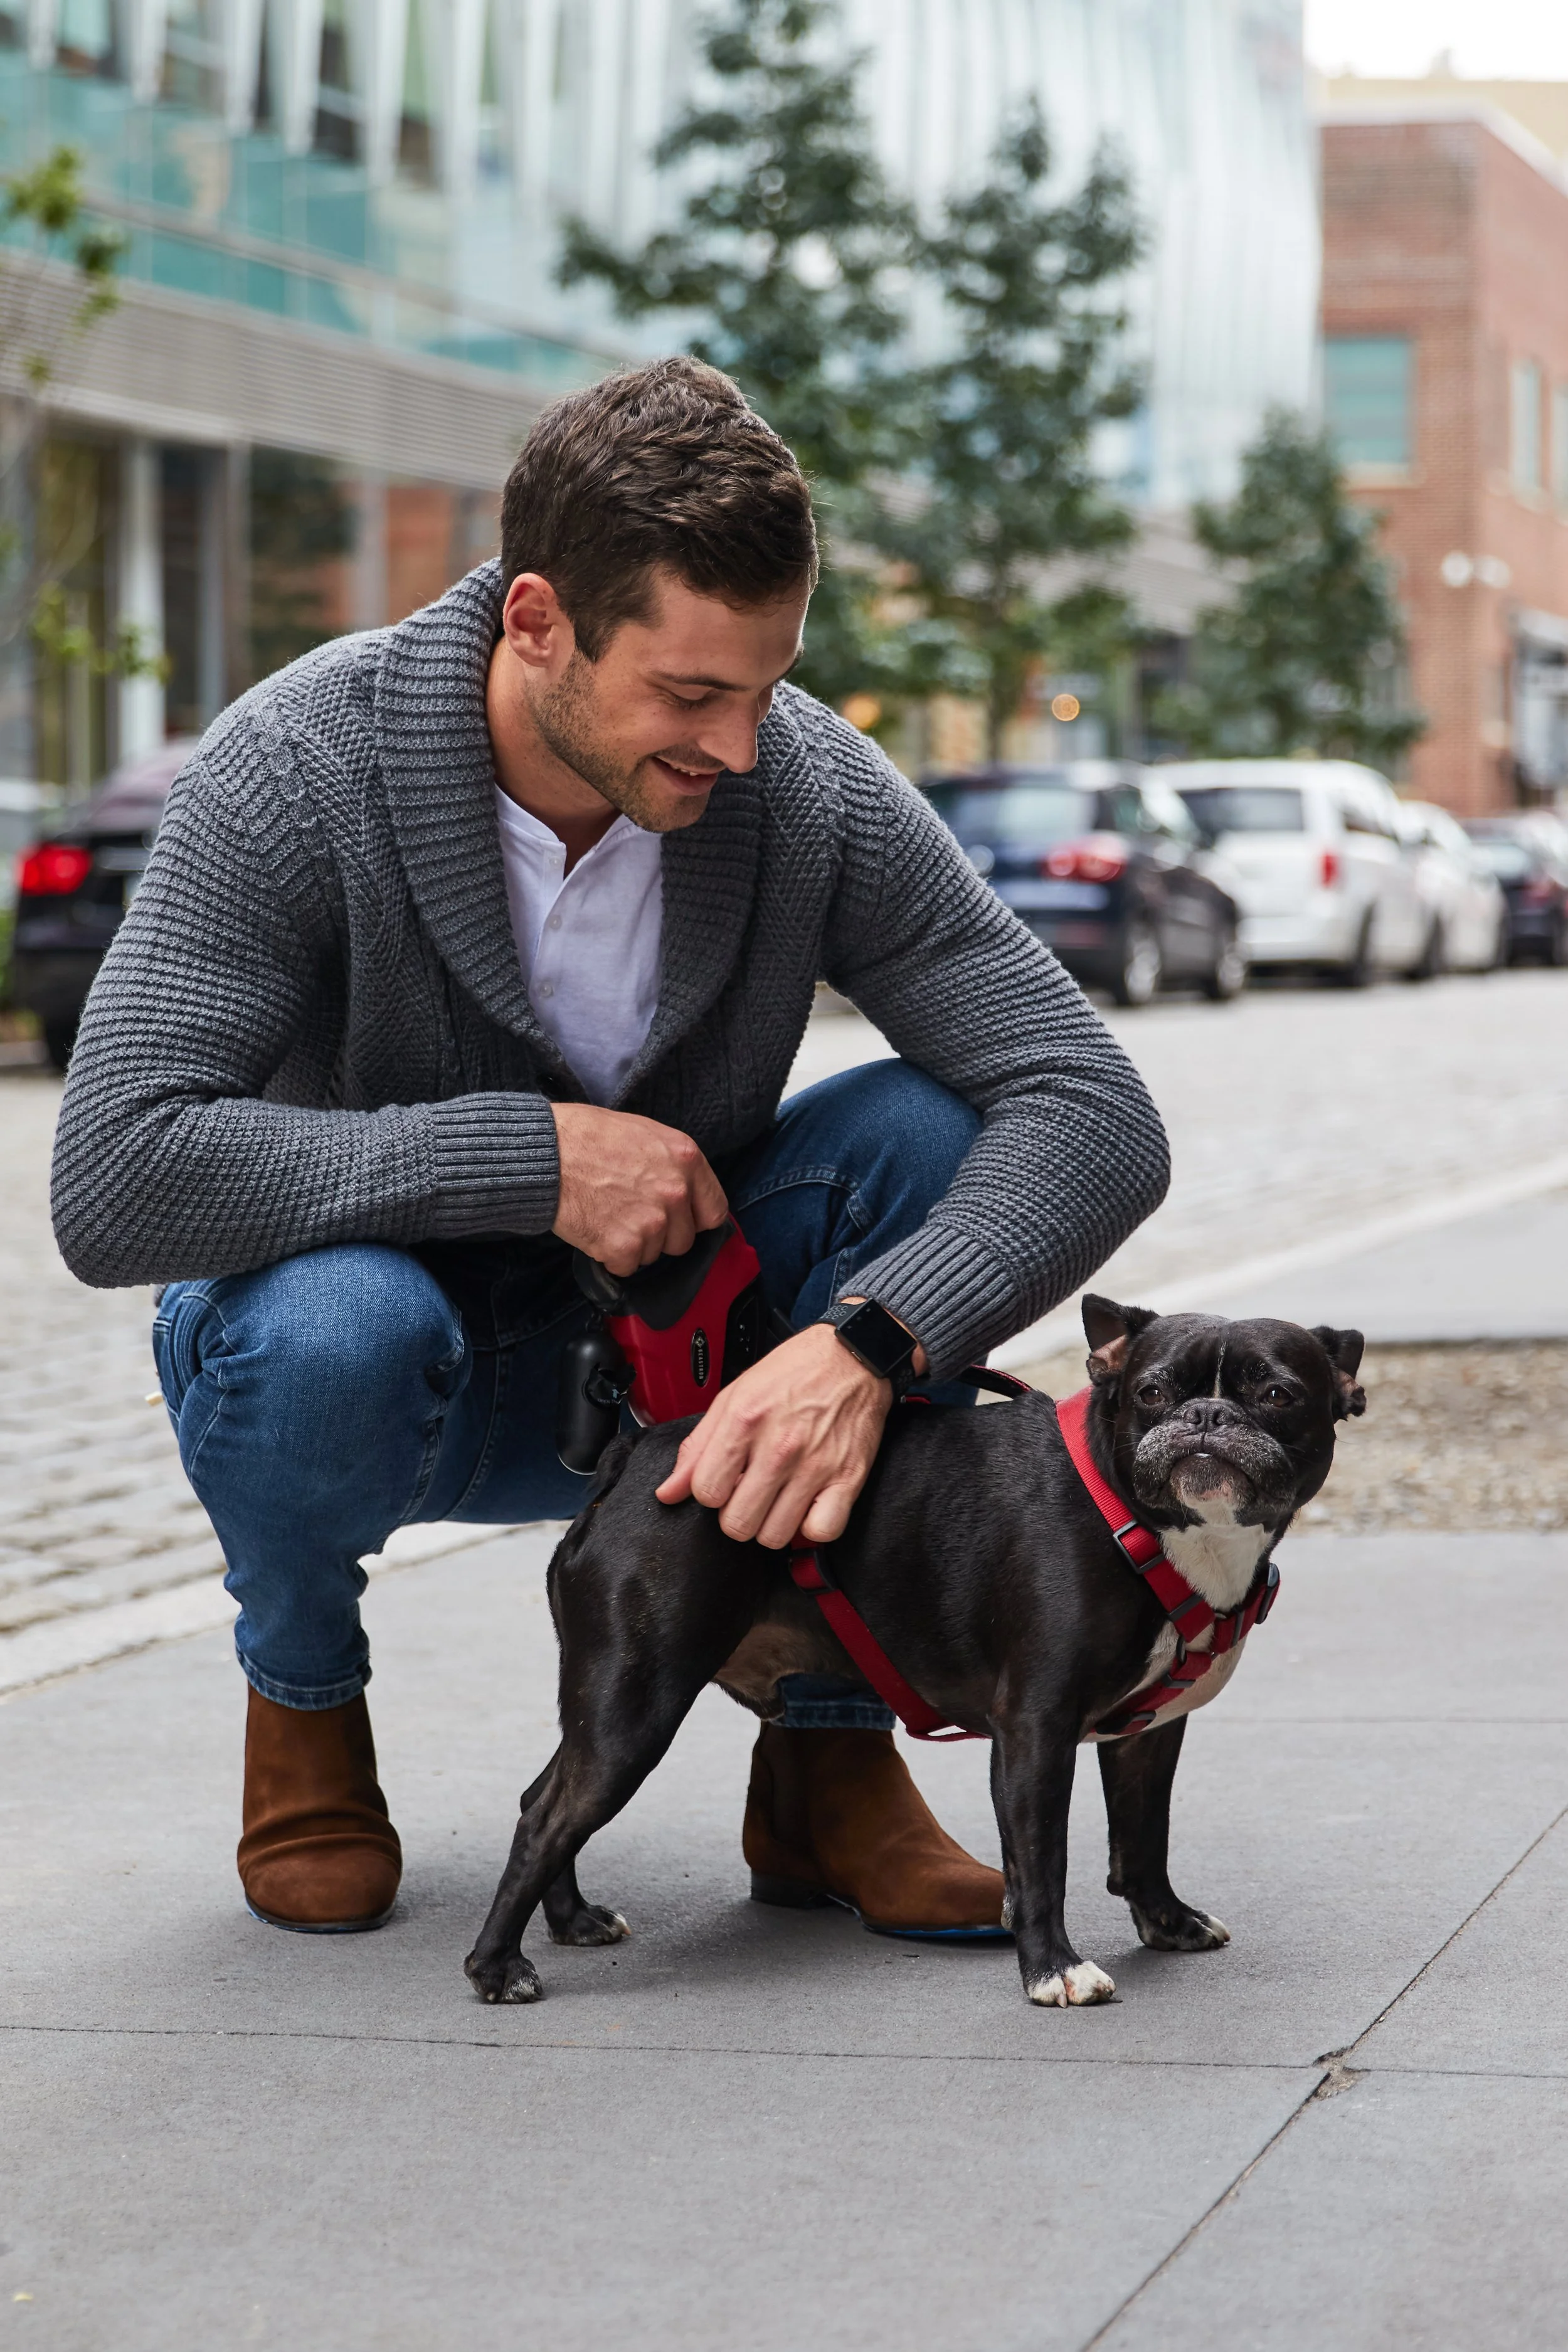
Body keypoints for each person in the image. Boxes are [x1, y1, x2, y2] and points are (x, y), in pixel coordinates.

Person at [51, 357, 1168, 1942]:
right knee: (327, 1322)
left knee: (927, 1136)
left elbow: (1090, 1104)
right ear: (536, 624)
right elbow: (113, 1180)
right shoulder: (298, 766)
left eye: (769, 685)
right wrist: (533, 1155)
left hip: (673, 1387)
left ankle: (826, 1768)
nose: (740, 743)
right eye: (691, 694)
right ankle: (301, 1696)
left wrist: (867, 1342)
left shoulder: (804, 789)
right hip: (378, 1377)